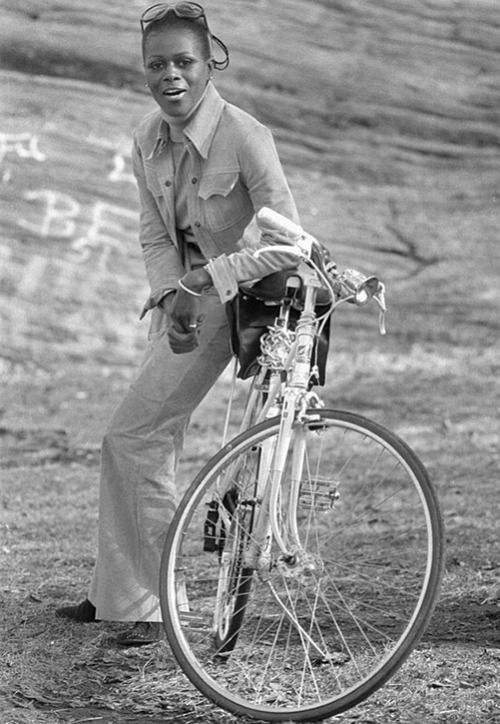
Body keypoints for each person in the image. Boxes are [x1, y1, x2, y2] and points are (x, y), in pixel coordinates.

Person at [56, 1, 300, 646]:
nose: (170, 75)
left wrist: (204, 283)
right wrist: (169, 293)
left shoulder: (247, 136)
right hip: (181, 302)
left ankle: (150, 601)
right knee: (146, 438)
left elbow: (292, 245)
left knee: (131, 436)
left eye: (183, 61)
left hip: (237, 299)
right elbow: (152, 233)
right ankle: (120, 591)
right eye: (156, 63)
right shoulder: (145, 138)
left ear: (208, 61)